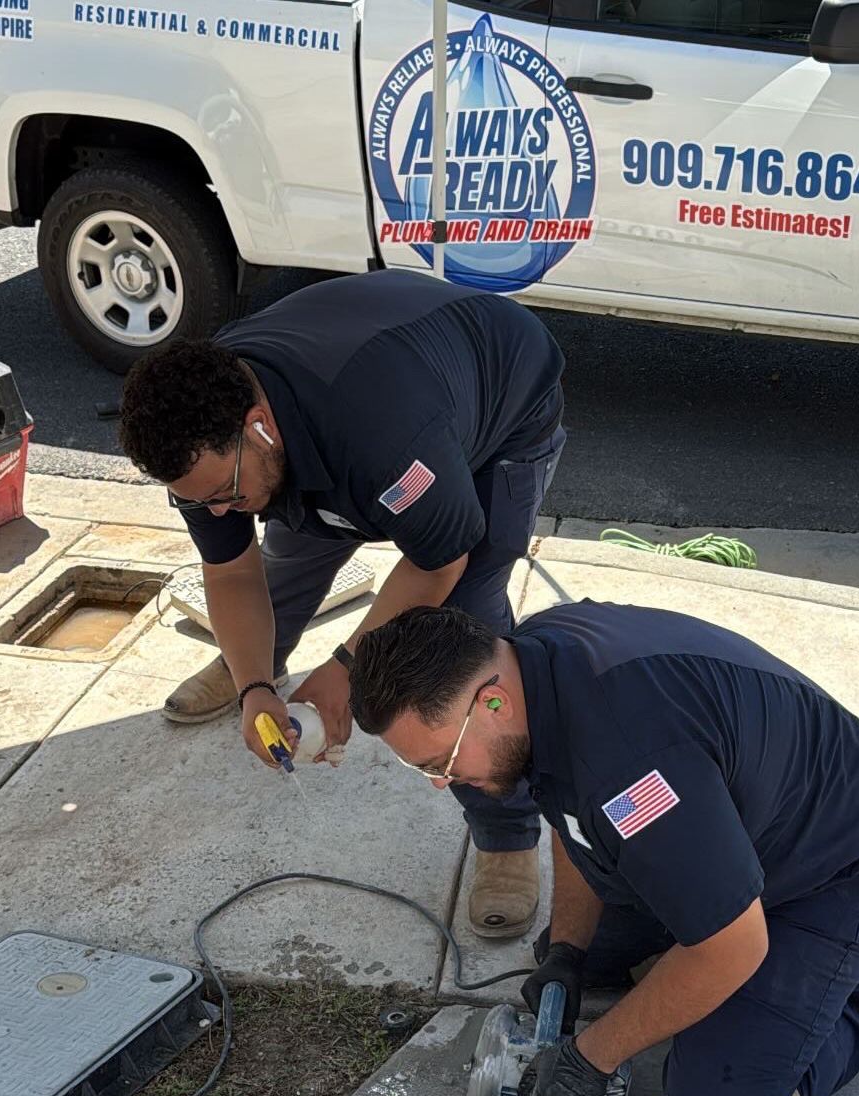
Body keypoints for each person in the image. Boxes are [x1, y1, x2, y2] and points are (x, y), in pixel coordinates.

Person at [348, 602, 859, 1096]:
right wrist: (569, 951)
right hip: (735, 822)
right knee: (591, 960)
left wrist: (593, 1058)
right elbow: (570, 810)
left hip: (837, 861)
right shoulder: (534, 662)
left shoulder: (632, 767)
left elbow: (730, 948)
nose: (440, 783)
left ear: (493, 701)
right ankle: (698, 910)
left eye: (441, 760)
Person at [117, 271, 565, 939]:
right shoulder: (212, 442)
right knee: (290, 550)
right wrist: (255, 688)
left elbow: (437, 562)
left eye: (222, 493)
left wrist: (348, 664)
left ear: (259, 426)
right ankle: (255, 663)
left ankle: (507, 836)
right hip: (356, 397)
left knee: (466, 628)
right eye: (197, 499)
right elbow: (231, 572)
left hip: (500, 402)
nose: (214, 510)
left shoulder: (383, 435)